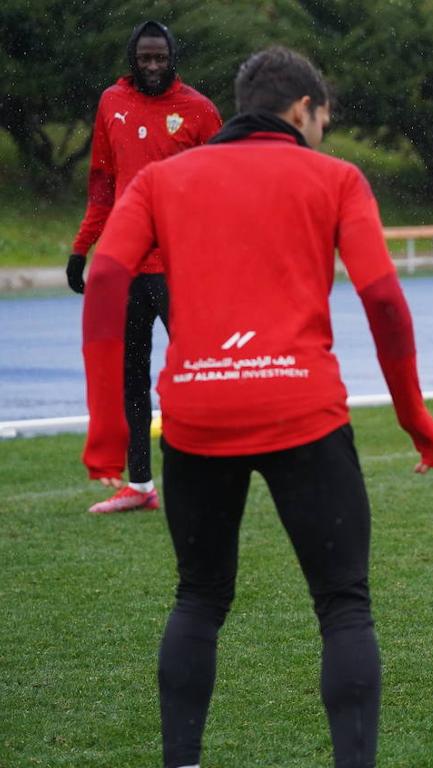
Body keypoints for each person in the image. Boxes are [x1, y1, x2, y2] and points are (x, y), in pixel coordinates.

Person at [80, 47, 433, 768]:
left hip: (196, 414)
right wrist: (413, 418)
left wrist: (107, 430)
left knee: (200, 598)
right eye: (323, 119)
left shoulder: (161, 179)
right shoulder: (334, 177)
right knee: (343, 606)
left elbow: (105, 282)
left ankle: (182, 763)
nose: (324, 132)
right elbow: (382, 302)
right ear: (303, 110)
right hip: (301, 411)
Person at [69, 20, 222, 514]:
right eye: (144, 58)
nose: (152, 66)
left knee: (196, 373)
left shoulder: (198, 111)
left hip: (181, 269)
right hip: (128, 268)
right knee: (130, 378)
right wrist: (82, 247)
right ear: (132, 59)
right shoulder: (111, 103)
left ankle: (209, 475)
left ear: (172, 57)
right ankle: (139, 484)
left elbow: (223, 187)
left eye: (160, 58)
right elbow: (102, 183)